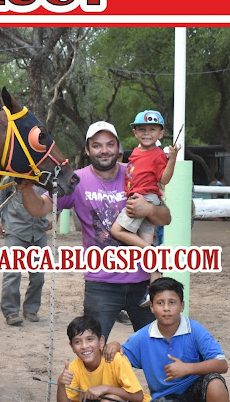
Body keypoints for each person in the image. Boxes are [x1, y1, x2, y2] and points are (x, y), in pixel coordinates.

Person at [17, 121, 171, 341]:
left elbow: (166, 217)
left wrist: (149, 209)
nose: (104, 150)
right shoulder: (76, 181)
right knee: (92, 349)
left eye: (110, 144)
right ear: (87, 150)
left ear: (118, 148)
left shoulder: (137, 172)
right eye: (97, 145)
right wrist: (25, 189)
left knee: (157, 346)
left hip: (143, 283)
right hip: (101, 285)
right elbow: (38, 208)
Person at [104, 277, 230, 402]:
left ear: (182, 305)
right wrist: (115, 345)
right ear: (151, 307)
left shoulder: (194, 329)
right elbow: (121, 358)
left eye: (172, 302)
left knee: (216, 384)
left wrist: (187, 368)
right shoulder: (143, 336)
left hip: (197, 392)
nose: (166, 308)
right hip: (166, 396)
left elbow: (222, 364)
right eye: (160, 303)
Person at [110, 110, 178, 306]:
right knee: (147, 255)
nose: (147, 133)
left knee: (117, 230)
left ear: (161, 133)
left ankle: (153, 252)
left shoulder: (158, 154)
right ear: (135, 132)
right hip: (142, 197)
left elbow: (164, 179)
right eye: (142, 129)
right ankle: (154, 292)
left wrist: (172, 159)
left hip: (143, 198)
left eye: (152, 129)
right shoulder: (136, 152)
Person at [0, 177, 51, 326]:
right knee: (12, 273)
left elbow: (56, 199)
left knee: (38, 276)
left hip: (39, 231)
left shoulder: (46, 179)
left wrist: (53, 219)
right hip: (15, 230)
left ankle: (31, 309)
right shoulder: (12, 178)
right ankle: (10, 312)